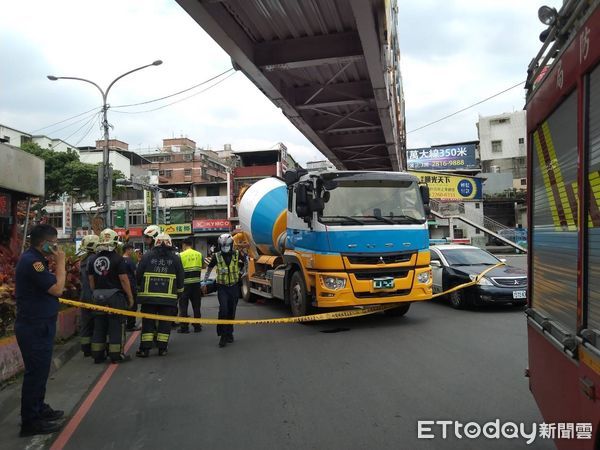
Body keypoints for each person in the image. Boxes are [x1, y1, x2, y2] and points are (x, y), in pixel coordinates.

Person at [15, 224, 65, 436]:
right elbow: (57, 289)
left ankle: (38, 408)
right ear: (43, 243)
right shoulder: (32, 262)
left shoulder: (36, 259)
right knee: (35, 373)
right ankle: (30, 421)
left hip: (39, 324)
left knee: (41, 371)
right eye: (53, 243)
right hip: (34, 326)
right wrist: (61, 263)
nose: (55, 247)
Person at [88, 229, 134, 364]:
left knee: (99, 325)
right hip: (115, 297)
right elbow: (124, 280)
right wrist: (130, 297)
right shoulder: (118, 259)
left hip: (97, 297)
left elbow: (91, 281)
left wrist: (96, 294)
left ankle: (97, 354)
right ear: (115, 242)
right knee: (116, 325)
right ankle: (116, 355)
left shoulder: (93, 259)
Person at [136, 233, 185, 357]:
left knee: (148, 323)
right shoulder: (175, 257)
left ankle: (145, 349)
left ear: (156, 242)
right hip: (168, 299)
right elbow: (180, 277)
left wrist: (137, 289)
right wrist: (179, 293)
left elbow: (139, 274)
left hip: (148, 298)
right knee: (165, 323)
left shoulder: (147, 256)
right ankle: (162, 349)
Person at [202, 233, 246, 348]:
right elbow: (209, 269)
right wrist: (205, 282)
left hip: (234, 287)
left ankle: (230, 333)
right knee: (223, 310)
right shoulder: (216, 256)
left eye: (227, 245)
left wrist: (242, 273)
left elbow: (246, 263)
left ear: (231, 245)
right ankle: (222, 335)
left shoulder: (237, 254)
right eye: (222, 246)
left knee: (232, 311)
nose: (225, 248)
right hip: (222, 287)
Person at [77, 234, 99, 356]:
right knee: (97, 323)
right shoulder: (96, 260)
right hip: (94, 297)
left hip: (84, 297)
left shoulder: (83, 260)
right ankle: (95, 349)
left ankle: (86, 348)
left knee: (86, 324)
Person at [178, 238, 203, 333]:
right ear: (191, 244)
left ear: (184, 245)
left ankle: (184, 327)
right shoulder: (199, 254)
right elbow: (203, 266)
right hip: (196, 284)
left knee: (183, 306)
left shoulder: (180, 255)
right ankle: (197, 326)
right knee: (196, 306)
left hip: (185, 285)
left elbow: (178, 270)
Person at [122, 244, 140, 331]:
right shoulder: (130, 261)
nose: (132, 252)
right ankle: (131, 325)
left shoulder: (120, 260)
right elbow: (135, 273)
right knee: (133, 305)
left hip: (122, 286)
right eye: (131, 250)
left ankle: (124, 324)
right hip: (131, 286)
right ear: (127, 250)